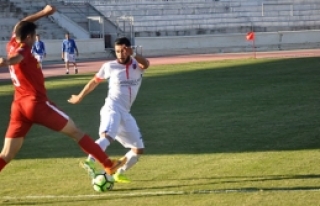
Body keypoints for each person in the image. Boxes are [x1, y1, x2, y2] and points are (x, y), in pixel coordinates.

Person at [0, 5, 126, 178]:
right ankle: (108, 164)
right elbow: (17, 58)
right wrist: (6, 62)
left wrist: (44, 13)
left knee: (6, 154)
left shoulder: (12, 43)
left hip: (18, 107)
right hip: (36, 105)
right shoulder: (23, 50)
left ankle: (108, 164)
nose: (36, 39)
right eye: (34, 37)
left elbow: (23, 23)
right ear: (28, 37)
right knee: (76, 132)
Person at [68, 37, 150, 183]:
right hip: (111, 108)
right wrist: (80, 96)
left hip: (125, 113)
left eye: (123, 51)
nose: (120, 54)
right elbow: (94, 81)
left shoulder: (136, 64)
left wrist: (134, 55)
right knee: (107, 137)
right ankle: (90, 162)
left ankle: (118, 172)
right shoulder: (109, 66)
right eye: (117, 51)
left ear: (129, 50)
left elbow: (147, 64)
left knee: (138, 149)